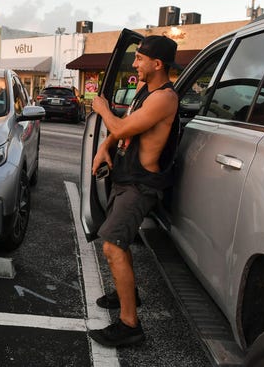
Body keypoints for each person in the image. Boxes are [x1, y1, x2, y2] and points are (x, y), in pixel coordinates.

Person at [88, 35, 180, 347]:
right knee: (118, 242)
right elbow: (125, 125)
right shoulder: (144, 90)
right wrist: (103, 148)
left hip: (142, 186)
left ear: (157, 64)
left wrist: (101, 108)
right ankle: (127, 292)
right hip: (126, 178)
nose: (134, 63)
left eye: (140, 59)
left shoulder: (164, 99)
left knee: (113, 246)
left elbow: (121, 127)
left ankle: (130, 326)